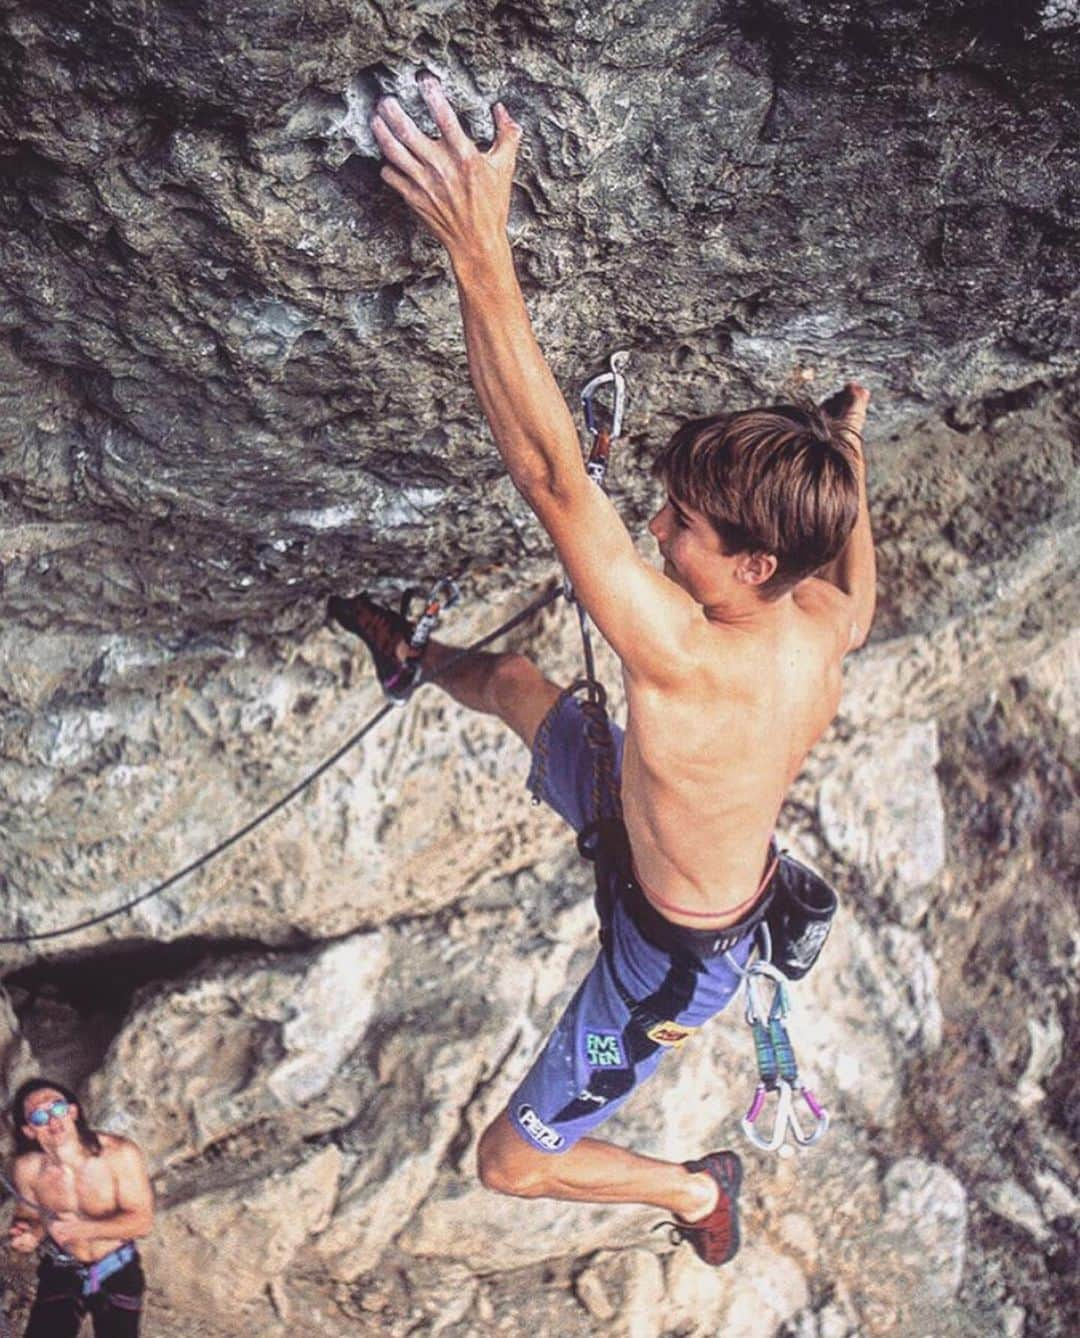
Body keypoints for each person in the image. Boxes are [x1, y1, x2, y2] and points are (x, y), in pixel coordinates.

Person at [330, 75, 876, 1267]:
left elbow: (552, 476)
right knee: (525, 684)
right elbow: (852, 566)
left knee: (511, 1162)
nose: (659, 529)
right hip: (653, 827)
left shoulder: (685, 659)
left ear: (754, 559)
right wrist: (844, 450)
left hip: (670, 958)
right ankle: (413, 658)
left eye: (682, 523)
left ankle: (692, 1188)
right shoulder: (823, 615)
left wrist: (478, 243)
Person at [6, 1079, 153, 1336]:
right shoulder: (27, 1169)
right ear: (29, 1130)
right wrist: (28, 1233)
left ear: (72, 1112)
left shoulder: (119, 1154)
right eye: (40, 1116)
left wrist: (82, 1230)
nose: (53, 1120)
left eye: (58, 1108)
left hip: (117, 1266)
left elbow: (141, 1222)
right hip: (63, 1267)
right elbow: (30, 1214)